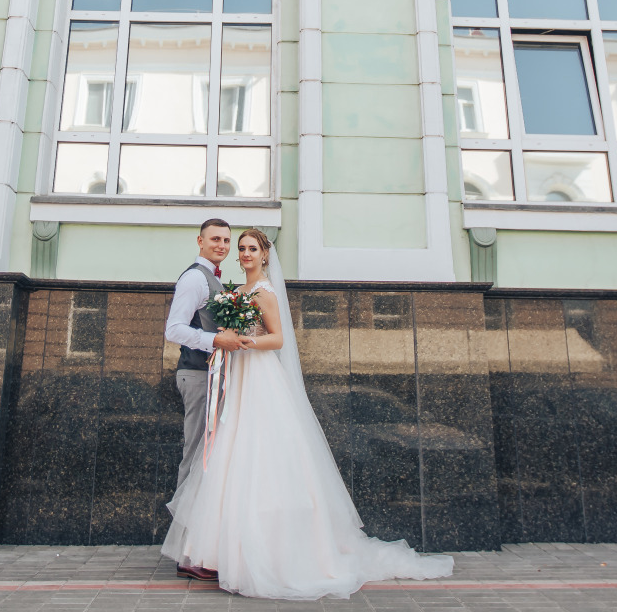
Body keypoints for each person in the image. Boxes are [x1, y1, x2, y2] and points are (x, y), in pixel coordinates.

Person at [162, 228, 454, 600]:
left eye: (251, 248)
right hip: (239, 377)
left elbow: (278, 339)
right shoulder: (235, 292)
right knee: (233, 452)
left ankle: (274, 549)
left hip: (260, 376)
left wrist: (243, 341)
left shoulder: (264, 292)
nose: (244, 253)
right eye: (241, 248)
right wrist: (225, 335)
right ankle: (222, 549)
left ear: (265, 255)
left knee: (263, 452)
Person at [162, 217, 246, 582]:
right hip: (198, 376)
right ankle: (184, 552)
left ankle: (197, 546)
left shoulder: (214, 278)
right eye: (216, 239)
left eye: (227, 240)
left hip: (211, 376)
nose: (222, 245)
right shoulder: (195, 278)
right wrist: (215, 341)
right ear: (200, 240)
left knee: (206, 460)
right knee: (195, 457)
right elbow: (174, 329)